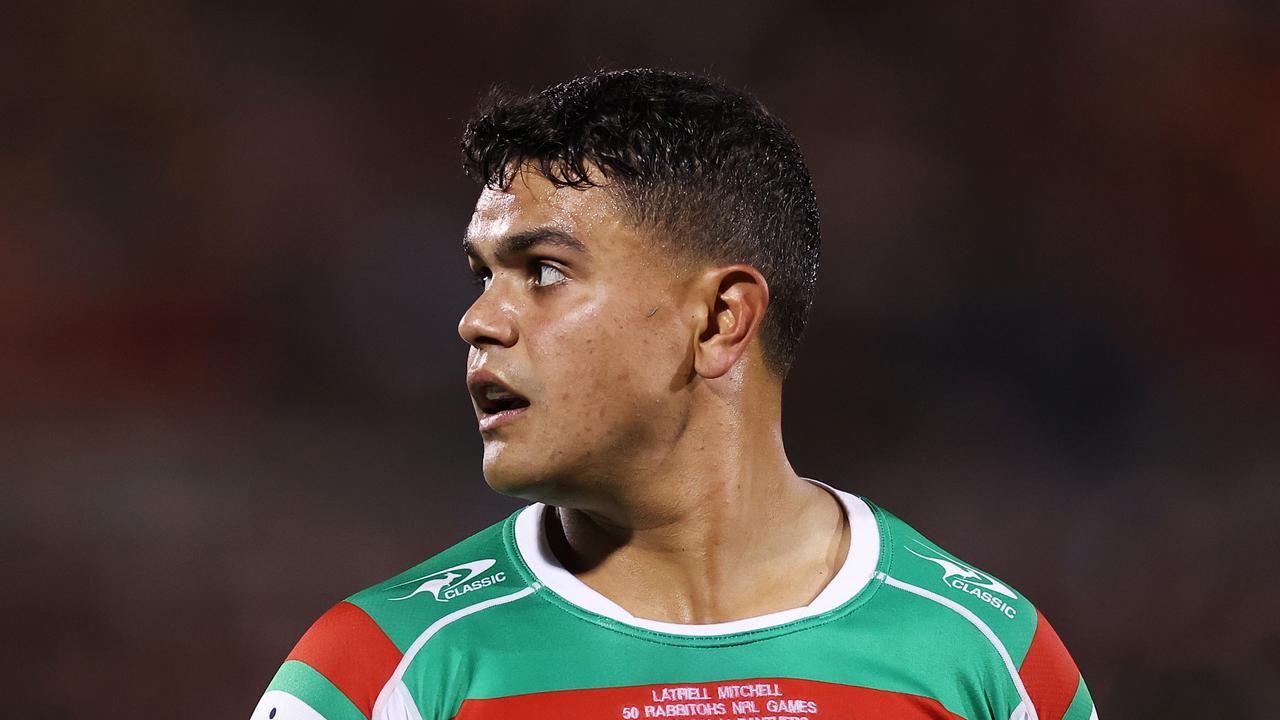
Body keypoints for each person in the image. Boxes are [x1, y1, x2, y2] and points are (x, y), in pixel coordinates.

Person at [250, 69, 1096, 720]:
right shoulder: (377, 675)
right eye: (482, 275)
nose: (477, 320)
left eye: (543, 272)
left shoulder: (991, 661)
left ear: (721, 318)